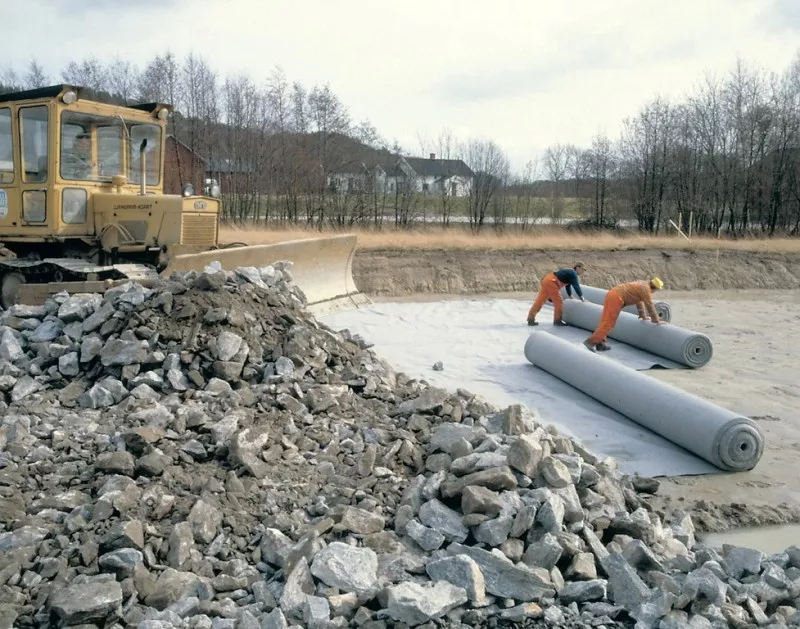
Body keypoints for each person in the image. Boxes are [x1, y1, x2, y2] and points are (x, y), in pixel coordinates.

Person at [583, 277, 666, 352]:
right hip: (616, 297)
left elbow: (639, 301)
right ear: (655, 288)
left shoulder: (643, 284)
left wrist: (643, 315)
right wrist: (656, 320)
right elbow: (649, 305)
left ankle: (600, 343)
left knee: (605, 320)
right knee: (609, 323)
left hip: (613, 294)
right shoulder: (646, 290)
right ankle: (590, 342)